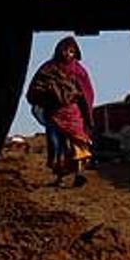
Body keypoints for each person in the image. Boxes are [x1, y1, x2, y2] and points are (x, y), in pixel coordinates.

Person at [32, 35, 95, 187]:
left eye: (71, 51)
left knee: (77, 145)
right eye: (65, 50)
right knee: (56, 145)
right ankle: (59, 178)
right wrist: (51, 93)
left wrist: (85, 112)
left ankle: (79, 175)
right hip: (54, 114)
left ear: (75, 53)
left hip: (73, 114)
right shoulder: (48, 68)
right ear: (59, 50)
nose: (68, 54)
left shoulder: (78, 70)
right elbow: (36, 88)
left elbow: (87, 92)